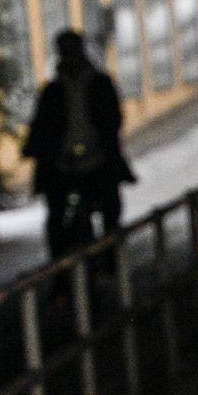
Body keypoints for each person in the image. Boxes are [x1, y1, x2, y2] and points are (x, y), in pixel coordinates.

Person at [23, 30, 136, 258]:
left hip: (98, 160)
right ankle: (59, 270)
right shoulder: (53, 91)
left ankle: (111, 261)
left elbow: (113, 120)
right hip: (62, 166)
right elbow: (42, 126)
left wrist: (105, 147)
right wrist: (39, 151)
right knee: (57, 218)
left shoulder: (100, 84)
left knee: (110, 209)